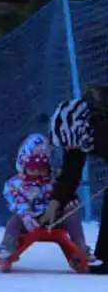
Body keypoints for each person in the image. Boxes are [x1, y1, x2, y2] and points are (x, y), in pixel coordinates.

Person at [0, 132, 89, 269]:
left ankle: (80, 247)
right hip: (29, 219)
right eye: (33, 169)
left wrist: (70, 203)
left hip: (54, 219)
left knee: (72, 216)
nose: (38, 173)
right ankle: (8, 246)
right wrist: (26, 215)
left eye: (42, 169)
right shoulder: (15, 184)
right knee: (14, 222)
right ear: (23, 166)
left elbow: (66, 192)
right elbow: (15, 201)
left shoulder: (55, 180)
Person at [42, 84, 108, 274]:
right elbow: (71, 171)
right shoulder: (79, 132)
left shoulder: (100, 129)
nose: (69, 150)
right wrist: (54, 204)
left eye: (69, 145)